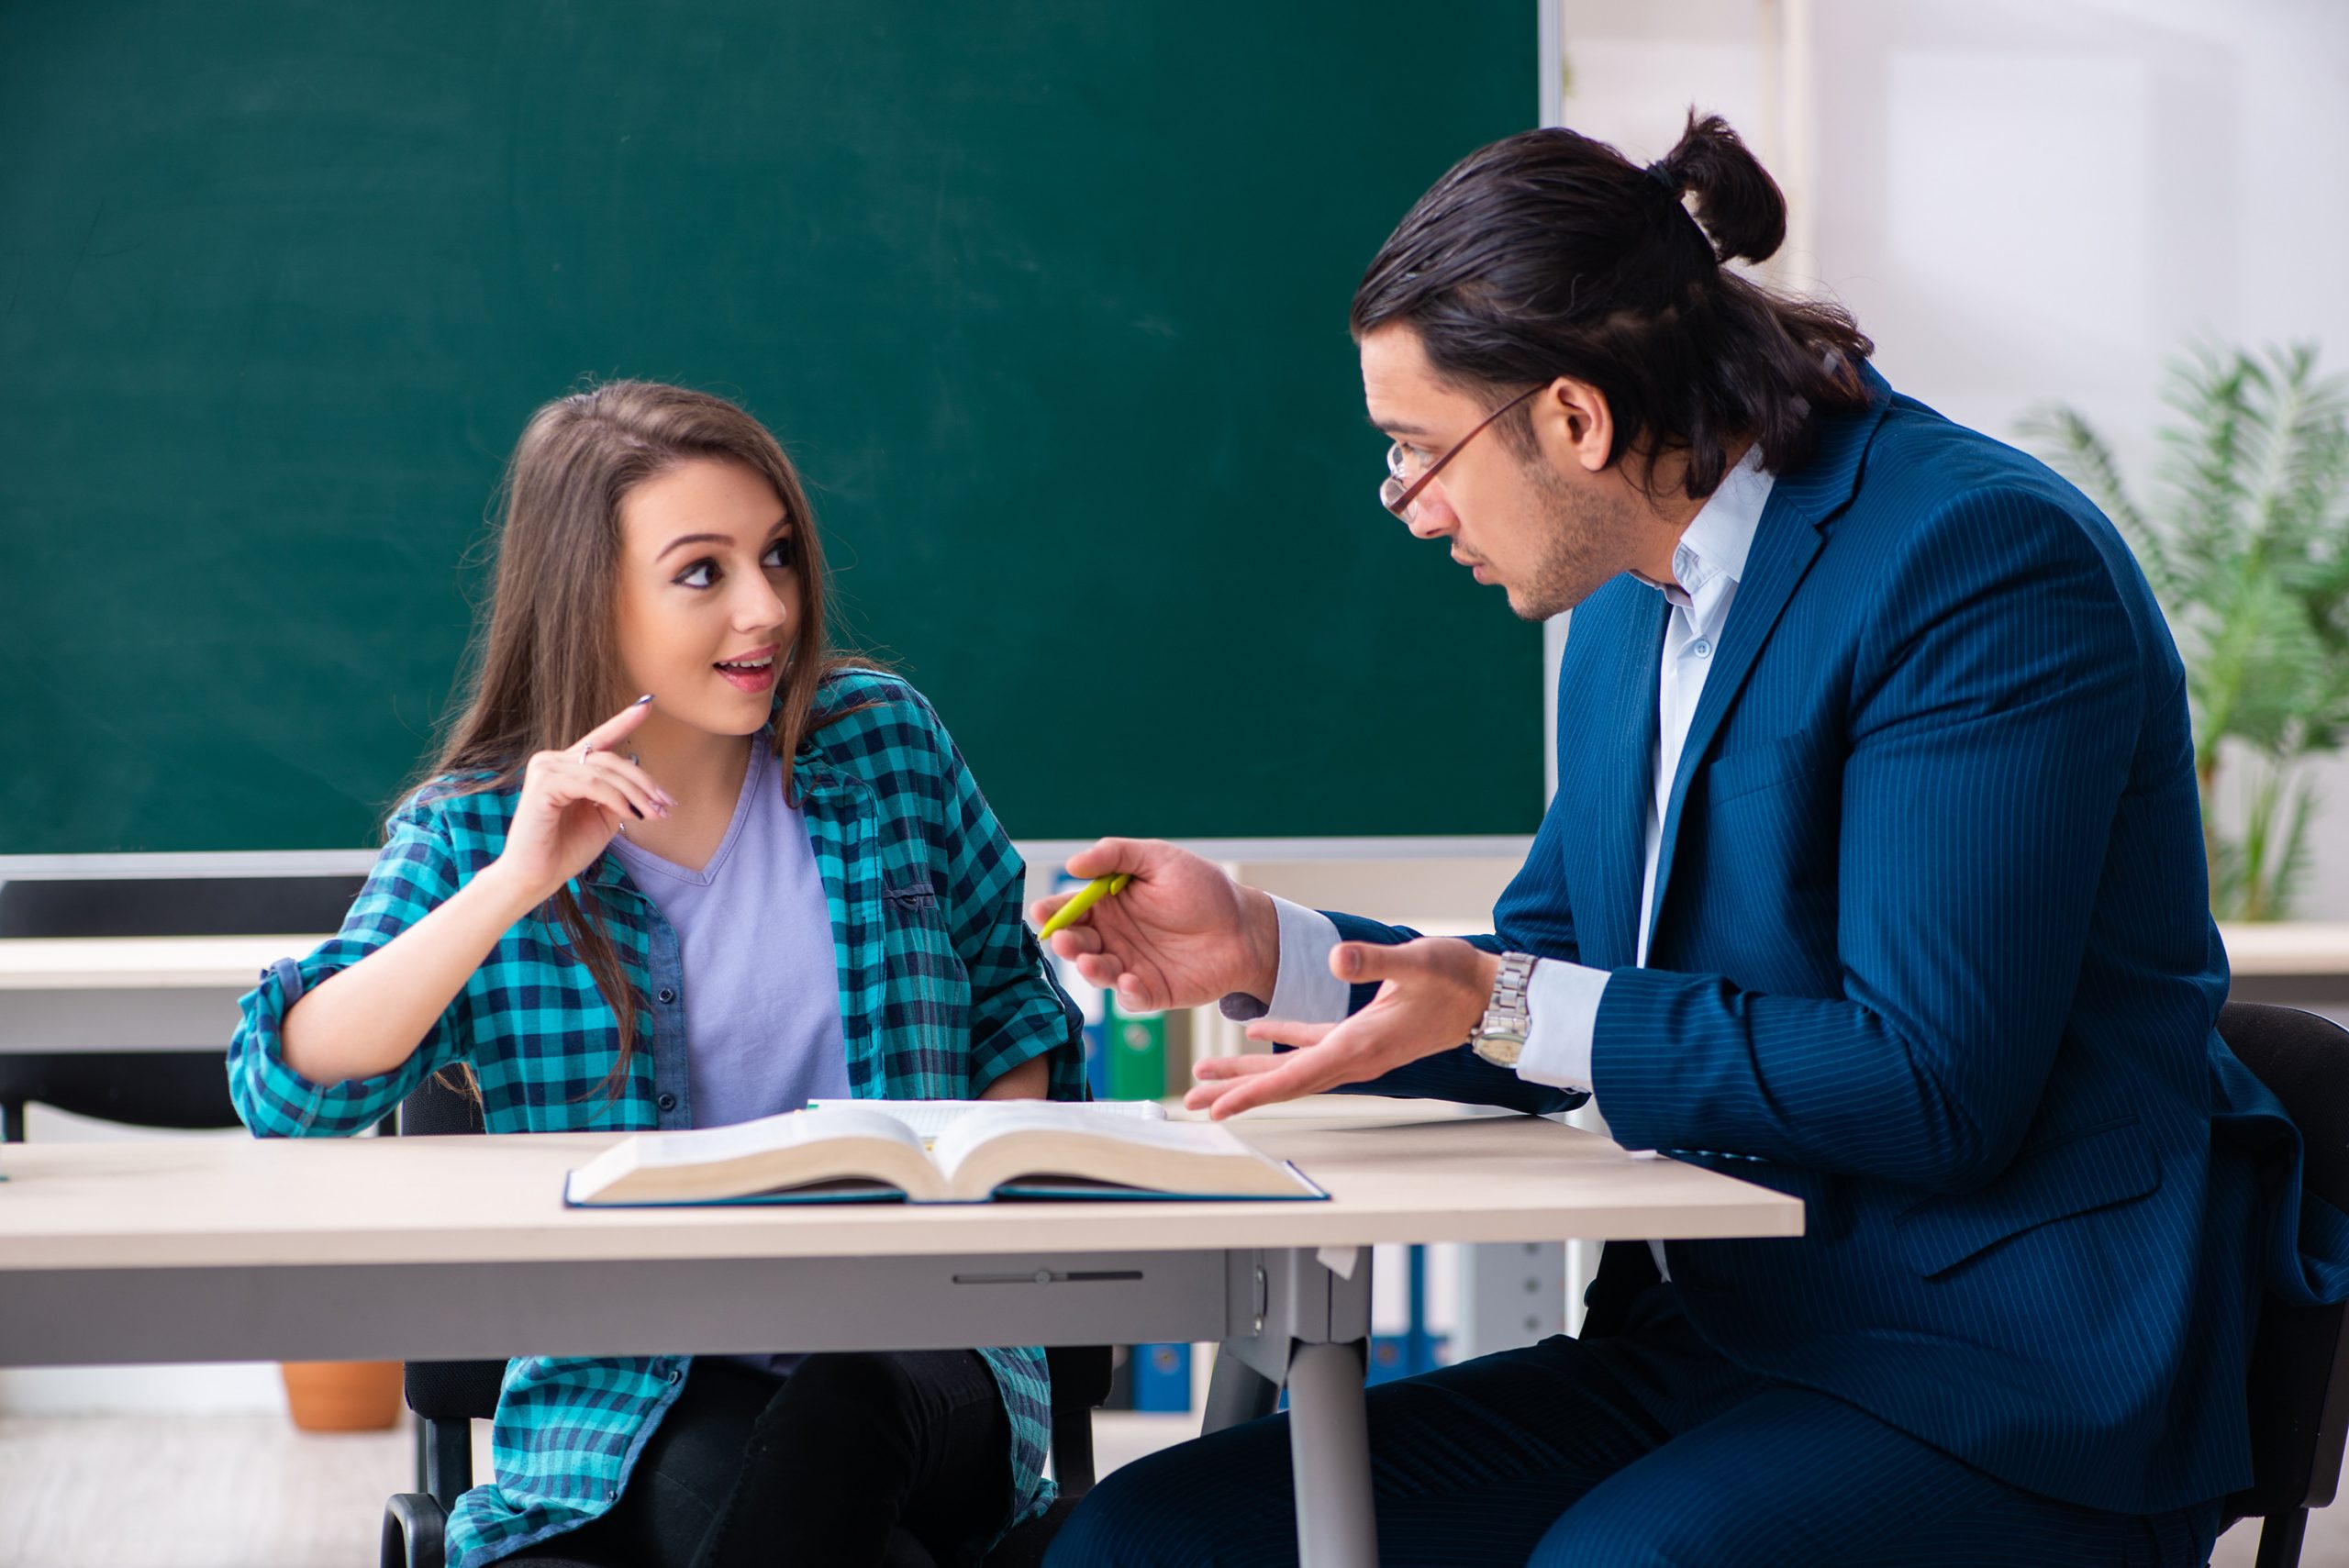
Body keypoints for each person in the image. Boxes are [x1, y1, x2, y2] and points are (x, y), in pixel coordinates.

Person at [1035, 116, 2349, 1567]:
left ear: (1574, 419)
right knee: (1154, 1536)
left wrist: (1515, 1001)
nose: (1407, 509)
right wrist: (1269, 947)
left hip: (1993, 1375)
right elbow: (1550, 977)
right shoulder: (1625, 599)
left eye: (1415, 453)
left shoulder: (1980, 564)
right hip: (1720, 1334)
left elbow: (1934, 1080)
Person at [227, 381, 1085, 1568]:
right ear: (592, 598)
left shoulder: (881, 741)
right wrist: (513, 884)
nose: (766, 606)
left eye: (777, 556)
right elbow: (289, 1091)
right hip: (640, 1394)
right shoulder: (481, 832)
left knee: (842, 1410)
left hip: (926, 1359)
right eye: (703, 571)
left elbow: (1013, 998)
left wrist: (965, 1214)